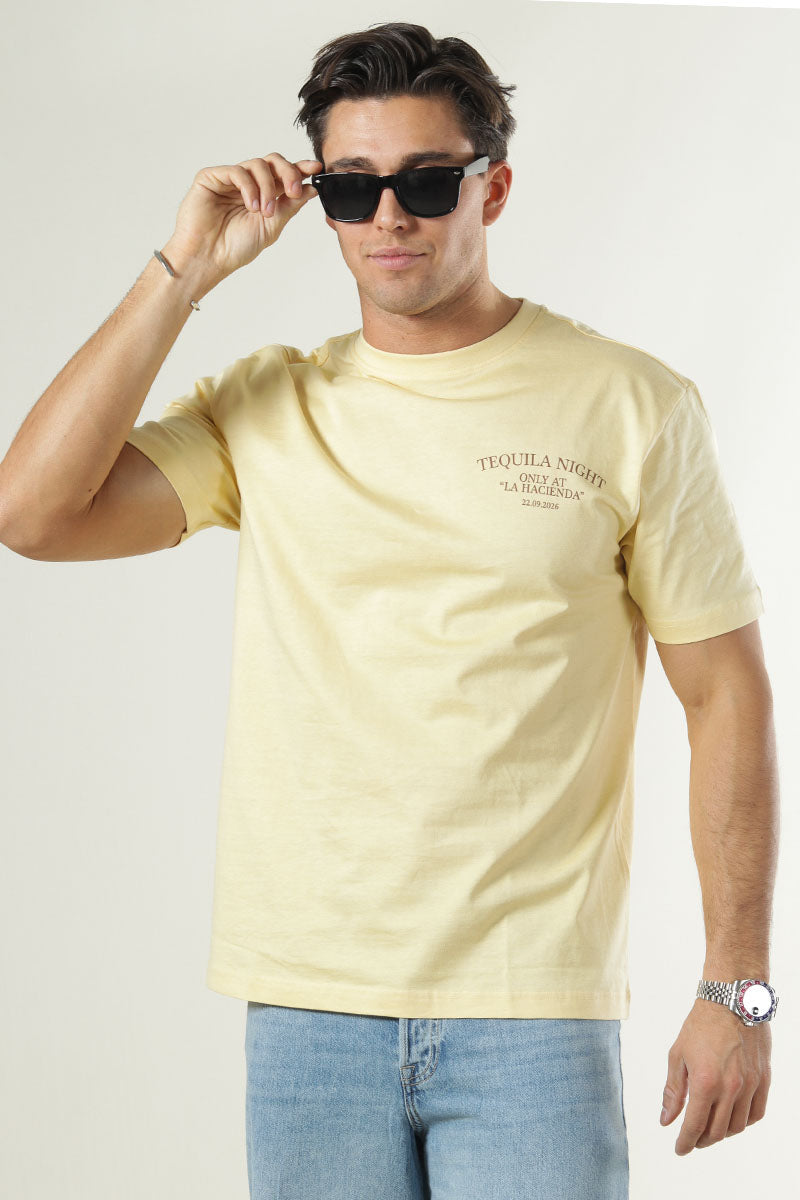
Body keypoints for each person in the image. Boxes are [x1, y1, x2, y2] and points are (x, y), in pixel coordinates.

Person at [0, 19, 779, 1200]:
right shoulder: (268, 406)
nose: (387, 218)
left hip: (529, 1011)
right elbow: (33, 513)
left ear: (491, 189)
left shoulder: (631, 405)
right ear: (318, 199)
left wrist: (736, 987)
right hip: (309, 1012)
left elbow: (724, 695)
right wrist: (183, 272)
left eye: (423, 182)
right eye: (349, 189)